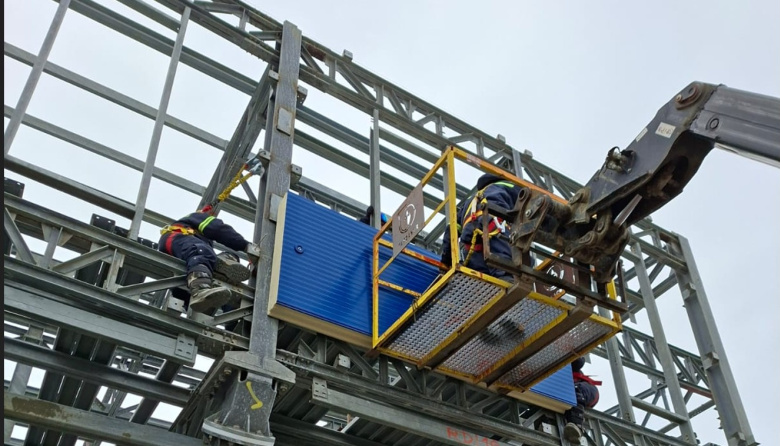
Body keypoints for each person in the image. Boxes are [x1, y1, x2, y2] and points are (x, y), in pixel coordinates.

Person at [159, 204, 258, 313]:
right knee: (203, 252)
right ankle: (200, 289)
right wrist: (245, 245)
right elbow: (217, 229)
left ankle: (230, 313)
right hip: (177, 239)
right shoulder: (197, 217)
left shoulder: (201, 240)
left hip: (186, 273)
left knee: (211, 263)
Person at [440, 173, 520, 280]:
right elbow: (531, 203)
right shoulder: (508, 185)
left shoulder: (470, 200)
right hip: (495, 229)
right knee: (504, 271)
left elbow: (451, 230)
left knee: (481, 279)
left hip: (471, 246)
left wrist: (446, 261)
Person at [563, 357, 601, 442]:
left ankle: (576, 424)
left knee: (575, 391)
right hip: (571, 392)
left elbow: (579, 361)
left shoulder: (570, 366)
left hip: (586, 389)